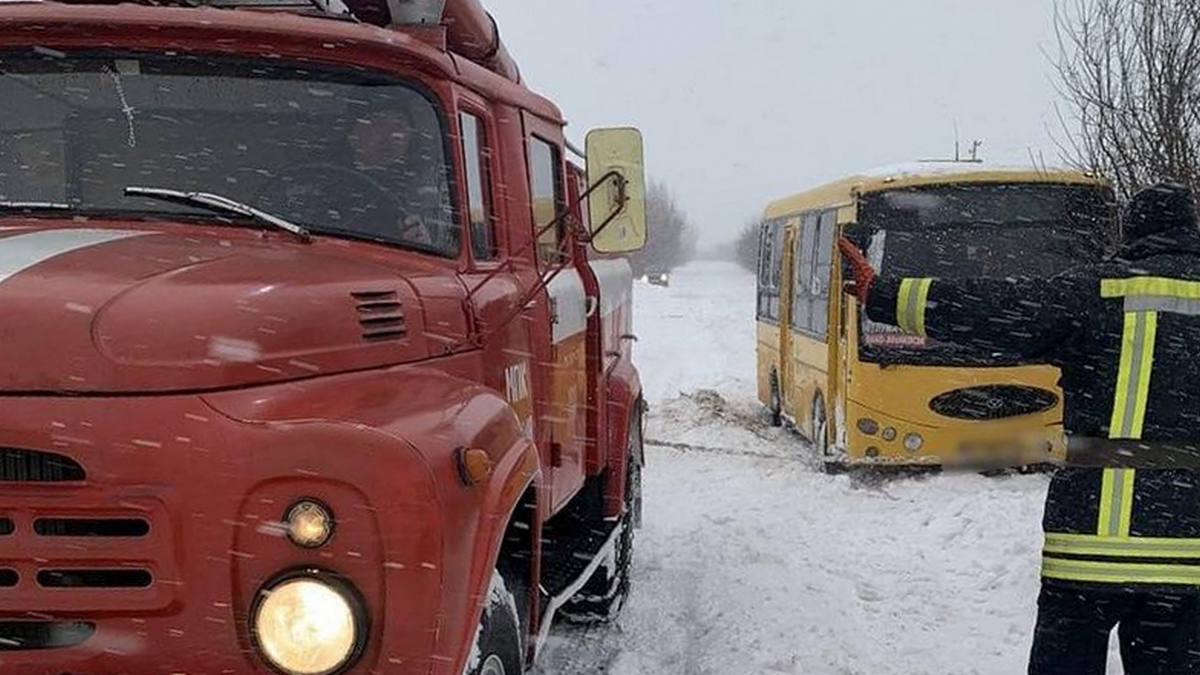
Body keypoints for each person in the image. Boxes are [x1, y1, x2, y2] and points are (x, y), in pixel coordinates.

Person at [838, 183, 1200, 675]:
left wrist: (883, 294)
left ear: (1132, 230)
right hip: (1188, 554)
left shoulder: (1091, 291)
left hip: (1086, 550)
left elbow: (991, 309)